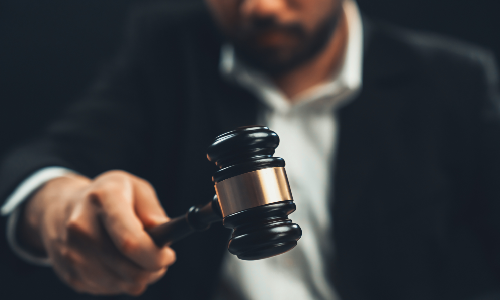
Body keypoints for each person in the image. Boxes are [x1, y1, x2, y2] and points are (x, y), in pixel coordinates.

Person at [1, 0, 500, 299]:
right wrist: (55, 207)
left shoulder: (455, 80)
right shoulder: (166, 51)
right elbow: (44, 161)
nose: (259, 7)